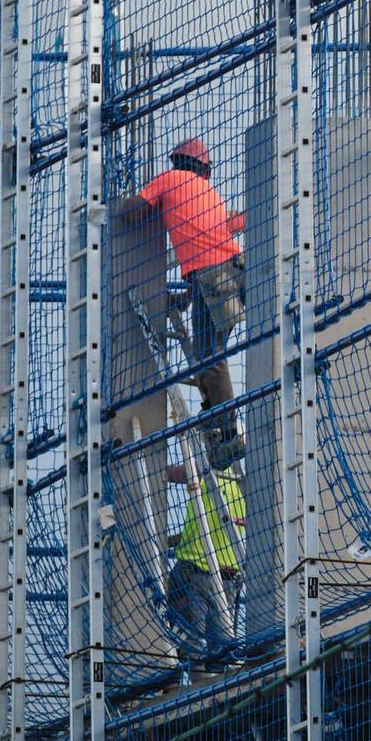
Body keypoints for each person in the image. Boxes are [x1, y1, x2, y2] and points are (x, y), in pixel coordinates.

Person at [122, 137, 245, 465]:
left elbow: (135, 214)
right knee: (209, 354)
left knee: (211, 358)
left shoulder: (170, 179)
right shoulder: (209, 193)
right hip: (233, 274)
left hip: (214, 278)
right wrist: (186, 298)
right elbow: (207, 251)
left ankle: (229, 432)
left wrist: (111, 205)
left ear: (177, 161)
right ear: (204, 168)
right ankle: (219, 425)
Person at [165, 458, 244, 666]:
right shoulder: (242, 486)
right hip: (226, 578)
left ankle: (193, 688)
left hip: (194, 574)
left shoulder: (208, 473)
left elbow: (171, 473)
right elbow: (207, 530)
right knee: (221, 652)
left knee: (191, 648)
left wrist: (152, 461)